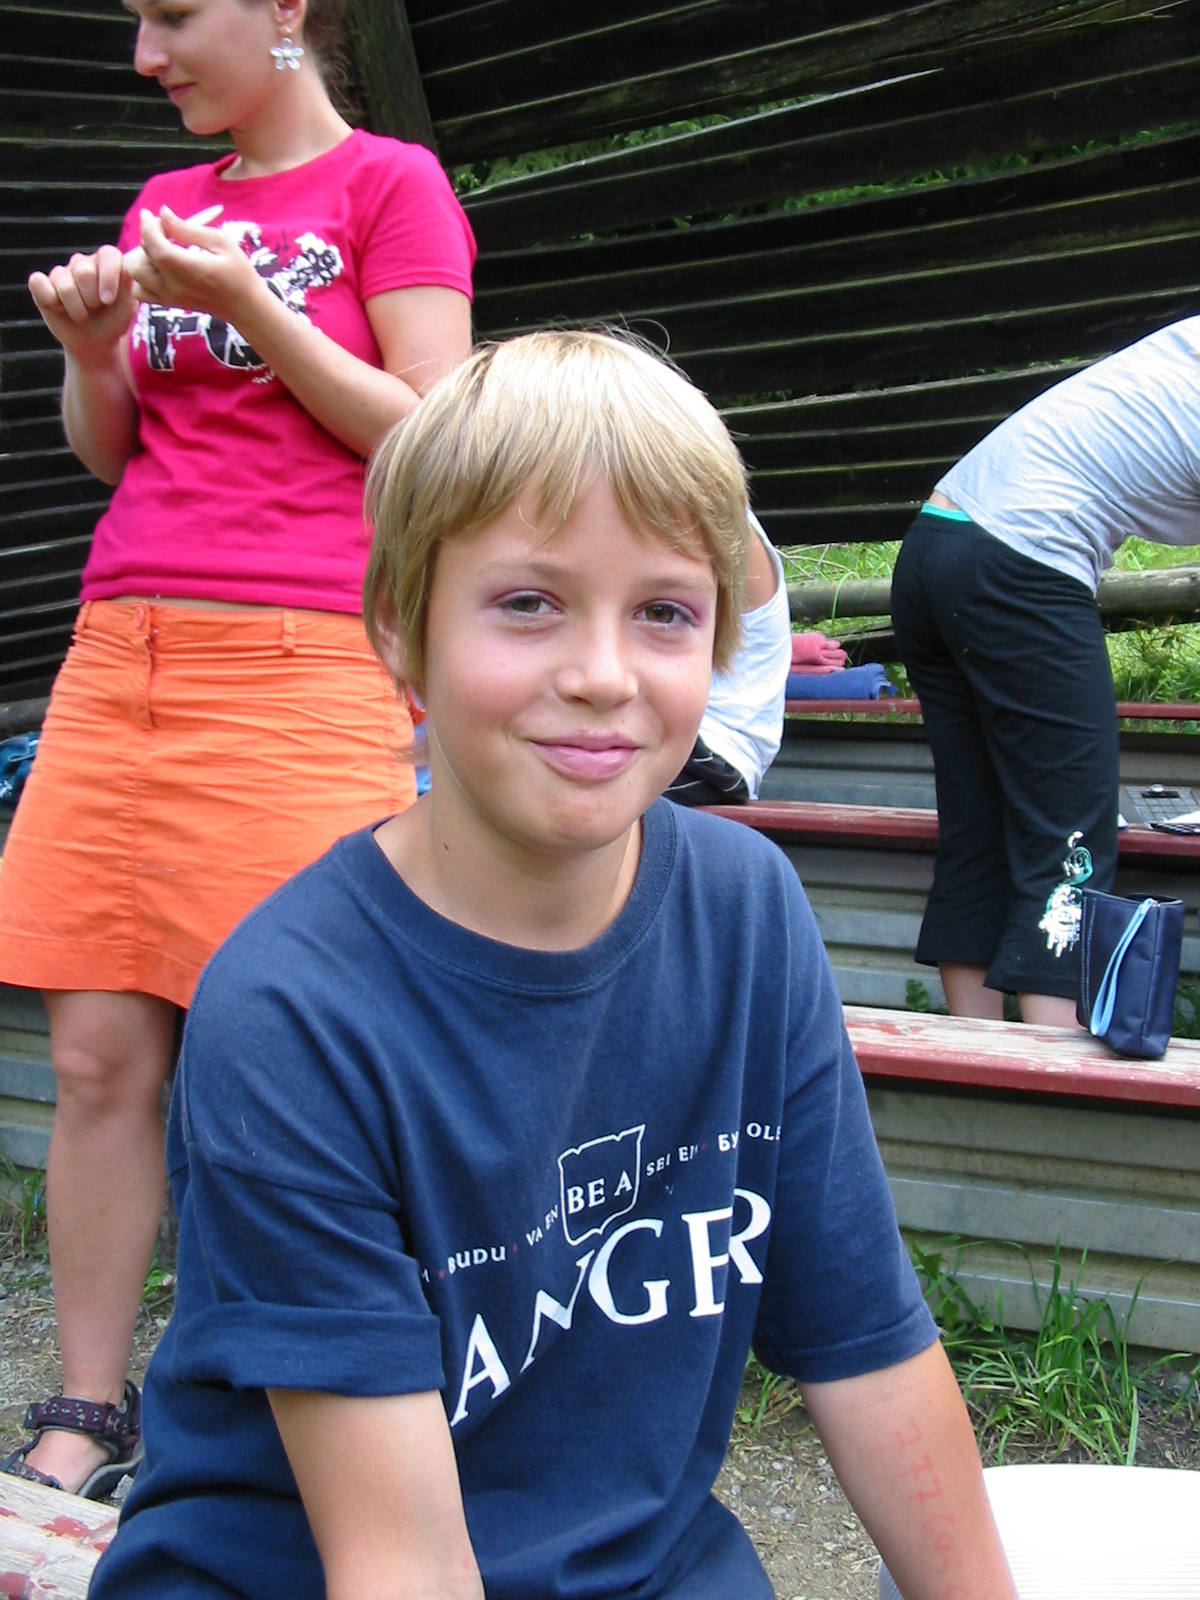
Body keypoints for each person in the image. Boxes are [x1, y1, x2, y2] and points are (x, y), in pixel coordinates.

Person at [90, 331, 1016, 1600]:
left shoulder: (747, 915)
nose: (601, 676)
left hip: (642, 1566)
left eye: (665, 612)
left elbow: (869, 1350)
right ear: (401, 632)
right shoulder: (293, 1010)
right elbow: (402, 1564)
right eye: (528, 603)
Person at [0, 0, 474, 1497]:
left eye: (172, 14)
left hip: (303, 661)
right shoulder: (166, 199)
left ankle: (297, 1408)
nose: (146, 55)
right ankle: (88, 1407)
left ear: (283, 9)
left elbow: (432, 438)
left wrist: (254, 306)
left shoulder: (392, 184)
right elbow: (119, 448)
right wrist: (93, 354)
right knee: (96, 1057)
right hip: (119, 654)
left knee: (284, 1065)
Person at [890, 316, 1200, 1024]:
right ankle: (1045, 1071)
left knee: (980, 830)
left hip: (936, 546)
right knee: (1070, 839)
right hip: (1018, 559)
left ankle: (971, 1066)